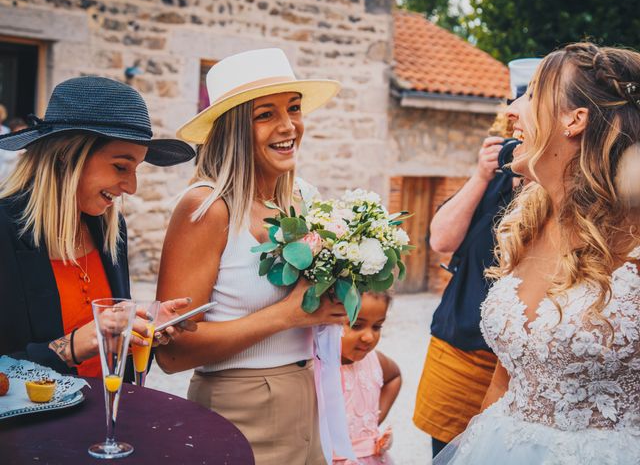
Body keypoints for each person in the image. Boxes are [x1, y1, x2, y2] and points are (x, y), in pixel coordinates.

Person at [434, 42, 640, 464]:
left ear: (574, 119)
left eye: (530, 96)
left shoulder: (634, 237)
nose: (512, 110)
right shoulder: (526, 221)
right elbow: (506, 378)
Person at [154, 48, 345, 464]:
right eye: (265, 115)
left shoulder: (305, 198)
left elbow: (313, 307)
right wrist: (289, 314)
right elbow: (170, 353)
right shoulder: (205, 208)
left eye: (293, 109)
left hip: (309, 394)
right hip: (238, 407)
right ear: (233, 130)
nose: (288, 125)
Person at [0, 76, 196, 379]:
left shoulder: (109, 228)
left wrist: (138, 321)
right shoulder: (5, 229)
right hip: (35, 425)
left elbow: (109, 340)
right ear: (67, 156)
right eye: (121, 166)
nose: (132, 187)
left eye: (136, 169)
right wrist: (79, 343)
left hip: (110, 418)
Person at [413, 58, 541, 458]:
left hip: (523, 365)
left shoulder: (558, 186)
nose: (513, 121)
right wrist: (481, 176)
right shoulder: (494, 176)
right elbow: (440, 239)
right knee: (446, 452)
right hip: (461, 350)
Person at [333, 291, 401, 465]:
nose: (369, 337)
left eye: (376, 327)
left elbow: (395, 377)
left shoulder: (375, 361)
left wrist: (376, 418)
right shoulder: (315, 367)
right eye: (356, 325)